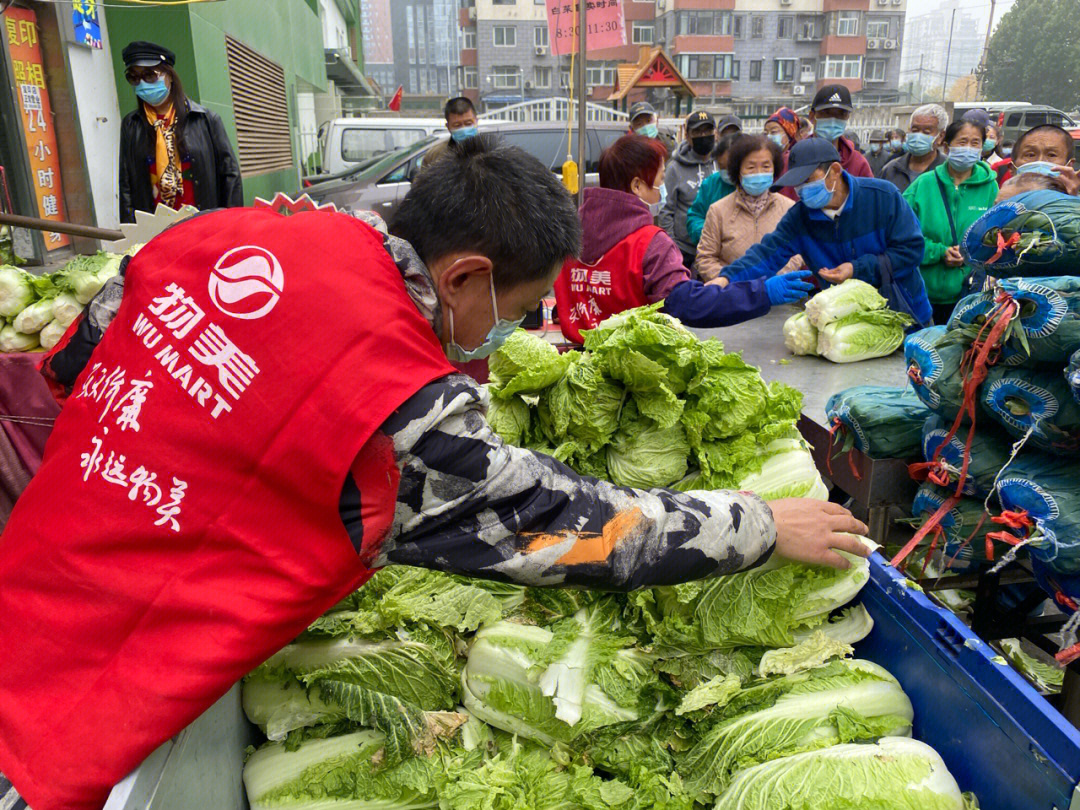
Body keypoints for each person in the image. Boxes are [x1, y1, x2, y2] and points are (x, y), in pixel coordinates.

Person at [0, 136, 868, 810]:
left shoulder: (241, 230)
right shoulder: (397, 404)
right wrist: (758, 525)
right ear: (465, 277)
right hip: (88, 675)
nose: (515, 334)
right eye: (522, 312)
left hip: (33, 573)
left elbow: (76, 360)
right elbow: (562, 522)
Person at [554, 135, 808, 343]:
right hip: (632, 367)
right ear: (637, 186)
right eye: (661, 180)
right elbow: (687, 305)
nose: (662, 191)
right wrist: (760, 293)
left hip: (580, 359)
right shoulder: (650, 243)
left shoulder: (568, 231)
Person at [716, 138, 932, 328]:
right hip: (847, 325)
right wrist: (725, 279)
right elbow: (765, 255)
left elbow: (912, 251)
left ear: (835, 171)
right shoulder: (800, 217)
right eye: (797, 184)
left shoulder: (882, 197)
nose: (802, 190)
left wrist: (856, 269)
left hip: (905, 316)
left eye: (808, 180)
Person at [118, 41, 242, 224]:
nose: (142, 83)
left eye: (150, 75)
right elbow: (126, 183)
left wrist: (234, 224)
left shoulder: (205, 119)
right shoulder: (132, 125)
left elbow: (230, 175)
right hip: (156, 228)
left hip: (204, 223)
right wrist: (130, 233)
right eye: (134, 77)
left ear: (170, 76)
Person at [903, 120, 999, 325]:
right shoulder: (923, 184)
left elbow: (999, 237)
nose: (968, 148)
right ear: (947, 146)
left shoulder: (991, 188)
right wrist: (940, 252)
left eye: (975, 143)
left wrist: (970, 255)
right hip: (922, 291)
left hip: (970, 293)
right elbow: (901, 236)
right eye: (962, 142)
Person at [696, 134, 804, 282]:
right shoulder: (718, 210)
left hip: (777, 294)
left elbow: (797, 253)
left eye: (766, 166)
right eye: (751, 167)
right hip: (731, 296)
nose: (759, 173)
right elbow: (705, 257)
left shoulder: (789, 208)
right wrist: (731, 281)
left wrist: (773, 279)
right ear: (737, 171)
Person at [778, 85, 871, 201]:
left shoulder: (858, 163)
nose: (833, 119)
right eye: (826, 113)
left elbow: (867, 203)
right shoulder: (791, 160)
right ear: (812, 116)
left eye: (841, 114)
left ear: (847, 117)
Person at [660, 110, 717, 268]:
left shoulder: (723, 162)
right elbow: (666, 210)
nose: (703, 135)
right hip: (685, 250)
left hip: (718, 249)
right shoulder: (674, 168)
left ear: (715, 133)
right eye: (697, 131)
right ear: (687, 135)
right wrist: (672, 248)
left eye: (707, 130)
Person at [684, 133, 738, 250]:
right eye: (721, 167)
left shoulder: (753, 185)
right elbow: (695, 216)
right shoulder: (711, 184)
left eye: (730, 167)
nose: (726, 172)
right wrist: (706, 232)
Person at [880, 104, 948, 193]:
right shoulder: (891, 169)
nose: (918, 136)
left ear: (941, 136)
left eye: (926, 132)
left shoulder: (948, 171)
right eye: (915, 130)